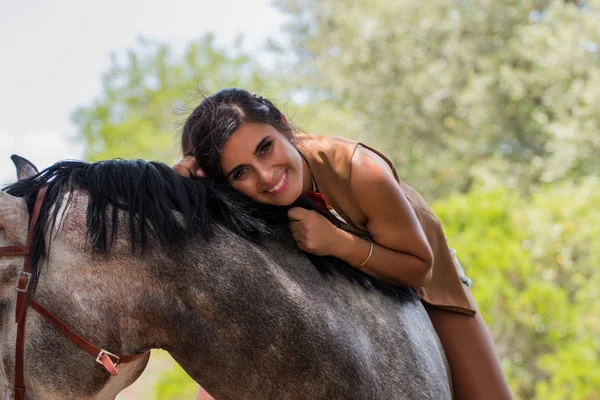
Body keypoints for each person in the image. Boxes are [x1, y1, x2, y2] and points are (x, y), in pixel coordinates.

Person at [172, 88, 512, 400]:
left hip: (423, 278)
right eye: (240, 172)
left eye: (265, 148)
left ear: (285, 127)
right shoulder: (242, 197)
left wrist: (337, 242)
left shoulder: (362, 169)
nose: (265, 175)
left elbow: (419, 268)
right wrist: (183, 186)